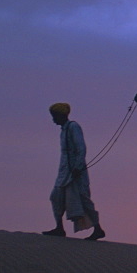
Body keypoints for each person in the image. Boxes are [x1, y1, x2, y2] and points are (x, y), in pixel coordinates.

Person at [43, 103, 105, 240]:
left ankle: (98, 229)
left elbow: (81, 148)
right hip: (65, 172)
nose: (53, 119)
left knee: (83, 199)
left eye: (55, 116)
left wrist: (78, 167)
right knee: (56, 197)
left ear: (61, 115)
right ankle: (59, 228)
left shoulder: (73, 127)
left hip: (76, 172)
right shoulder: (64, 130)